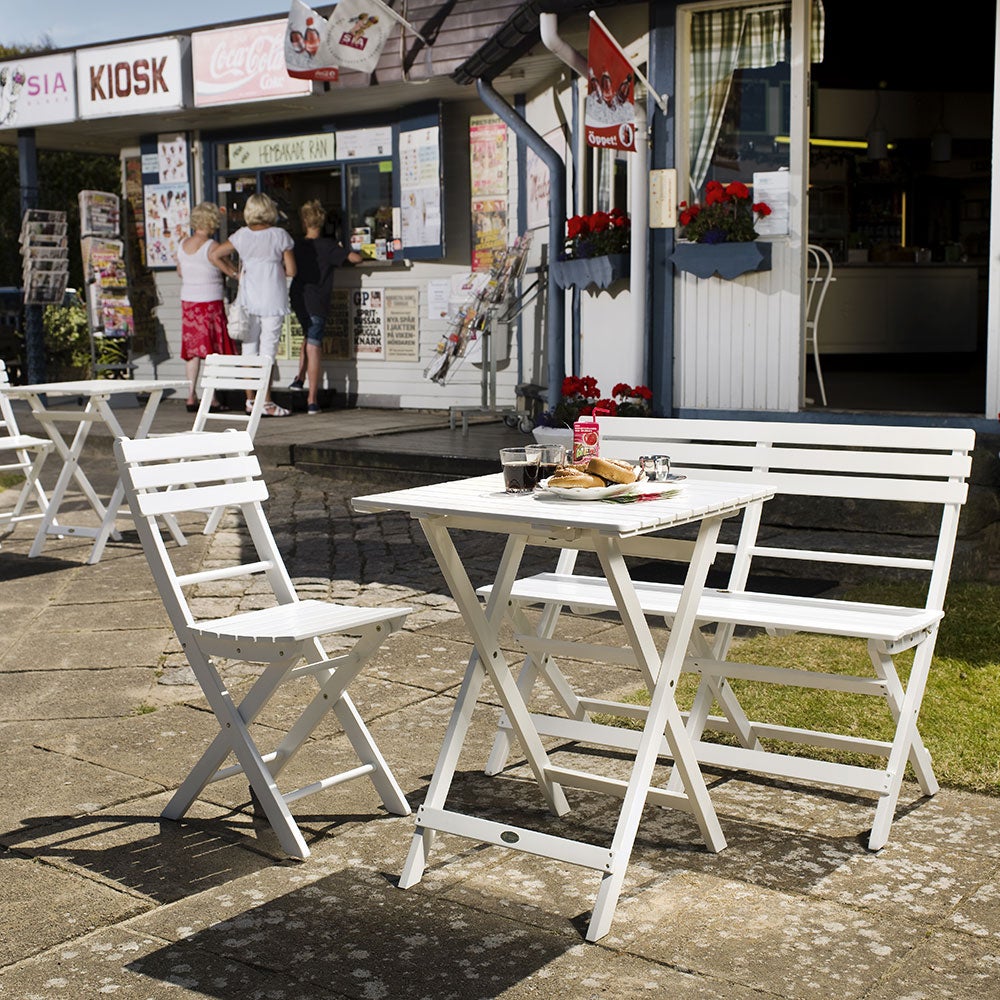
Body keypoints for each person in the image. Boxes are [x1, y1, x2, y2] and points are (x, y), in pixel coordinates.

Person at [209, 193, 296, 417]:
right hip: (273, 299)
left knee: (249, 351)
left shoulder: (241, 236)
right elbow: (292, 270)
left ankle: (250, 400)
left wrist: (234, 273)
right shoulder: (280, 235)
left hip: (248, 300)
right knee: (267, 352)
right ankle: (266, 402)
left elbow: (215, 254)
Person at [288, 200, 362, 414]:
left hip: (299, 299)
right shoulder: (328, 246)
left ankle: (299, 379)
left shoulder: (296, 245)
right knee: (313, 345)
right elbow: (355, 259)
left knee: (307, 335)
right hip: (317, 301)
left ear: (304, 222)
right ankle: (312, 400)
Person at [176, 201, 234, 412]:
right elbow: (228, 268)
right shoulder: (213, 247)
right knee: (212, 350)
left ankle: (191, 395)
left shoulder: (182, 244)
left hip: (189, 301)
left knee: (192, 351)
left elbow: (180, 271)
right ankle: (212, 398)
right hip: (210, 300)